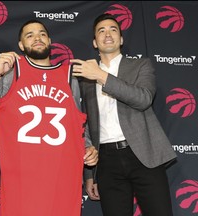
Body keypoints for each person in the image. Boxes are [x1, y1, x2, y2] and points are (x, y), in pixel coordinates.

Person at [0, 19, 98, 216]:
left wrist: (87, 146)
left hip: (60, 177)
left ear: (50, 40)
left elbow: (77, 123)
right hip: (23, 178)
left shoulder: (69, 76)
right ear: (21, 45)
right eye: (30, 35)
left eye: (42, 34)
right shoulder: (11, 72)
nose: (37, 38)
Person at [70, 13, 177, 216]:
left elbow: (143, 99)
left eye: (113, 29)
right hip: (107, 161)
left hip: (144, 155)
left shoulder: (141, 66)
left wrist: (101, 76)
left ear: (121, 39)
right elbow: (87, 124)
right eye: (101, 30)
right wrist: (90, 174)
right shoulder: (85, 78)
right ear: (95, 42)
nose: (107, 34)